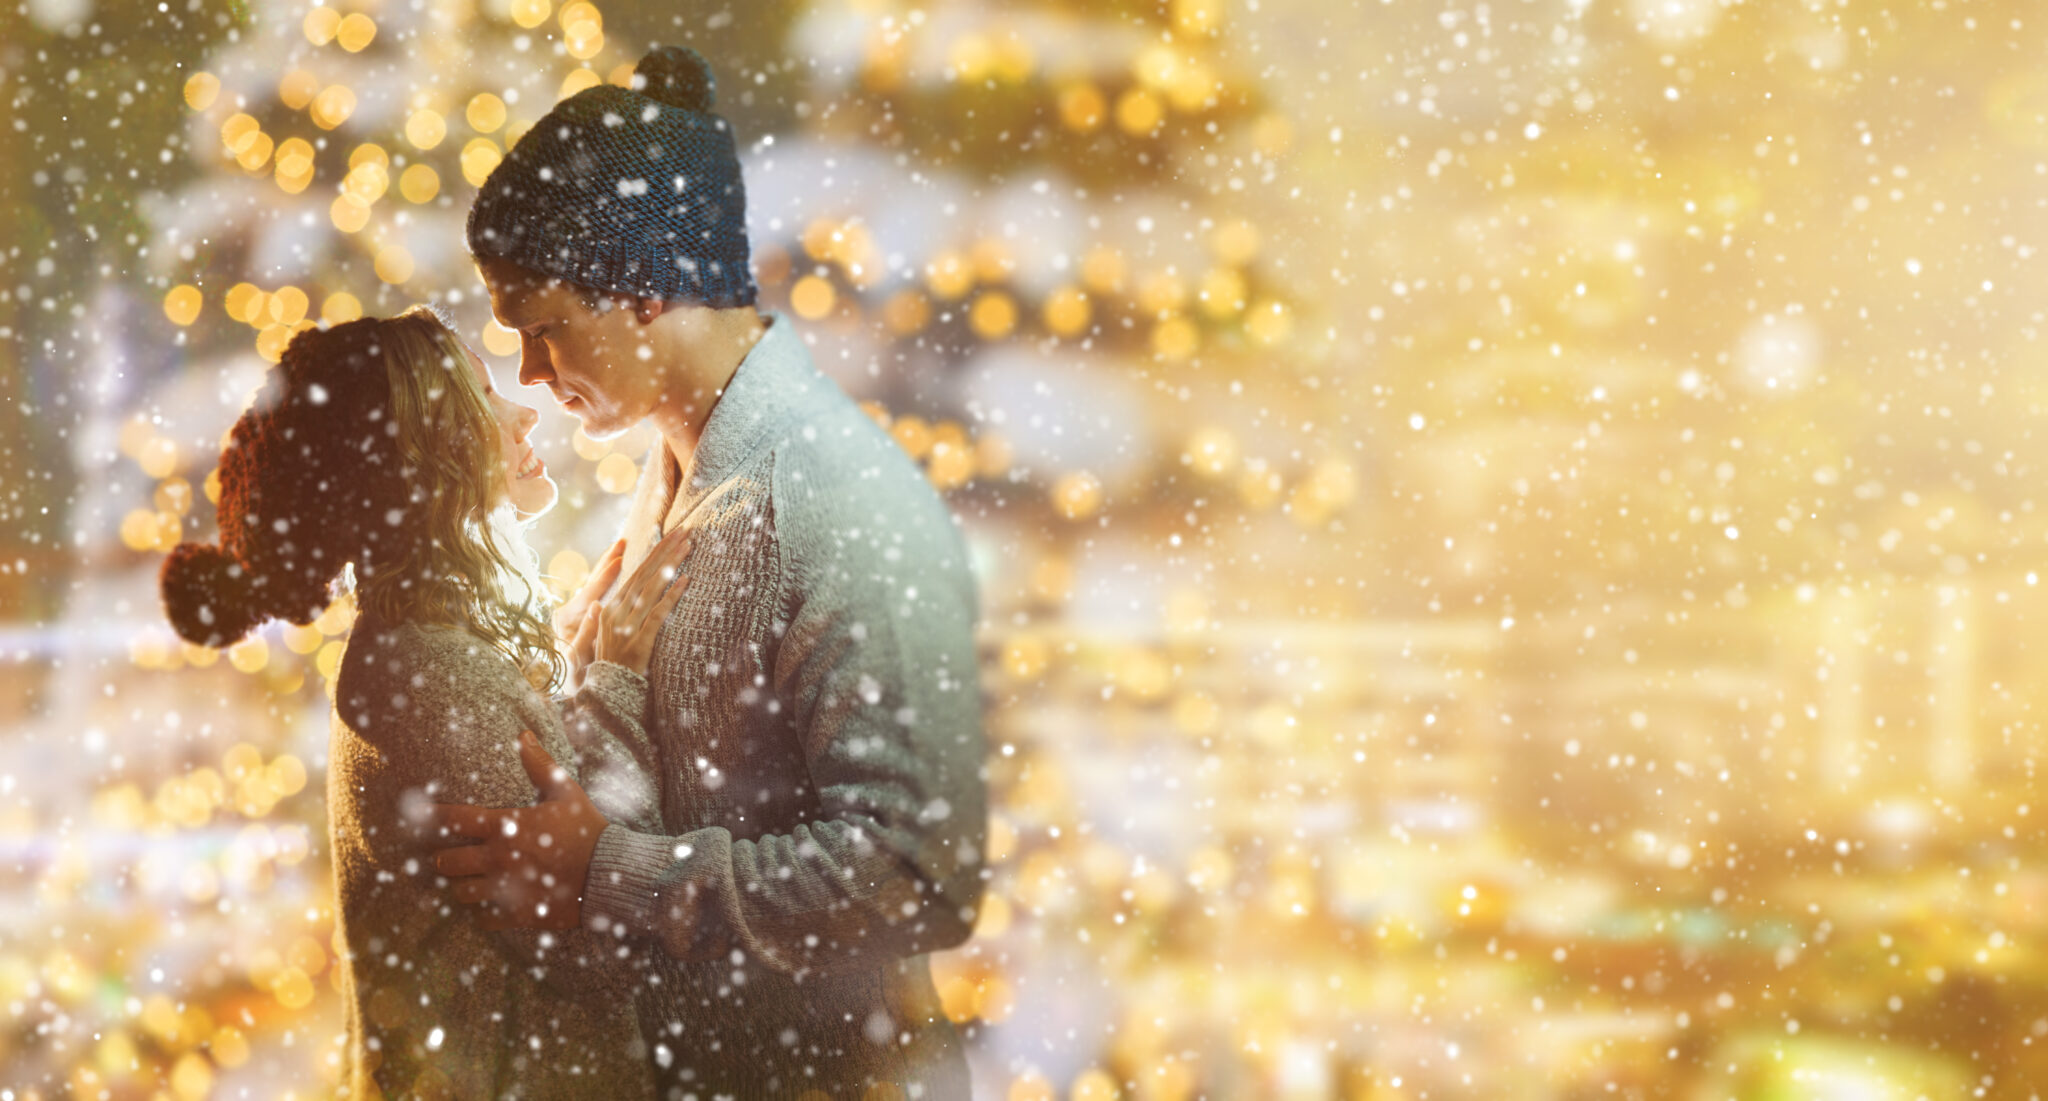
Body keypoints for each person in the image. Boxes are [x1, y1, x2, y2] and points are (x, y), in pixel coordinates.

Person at [430, 43, 990, 1098]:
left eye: (544, 330)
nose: (529, 378)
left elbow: (915, 872)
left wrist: (609, 876)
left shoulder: (828, 495)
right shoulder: (673, 474)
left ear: (643, 290)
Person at [158, 307, 695, 1100]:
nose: (521, 408)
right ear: (418, 455)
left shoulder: (413, 651)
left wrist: (574, 681)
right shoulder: (431, 675)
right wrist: (615, 682)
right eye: (482, 395)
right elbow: (603, 954)